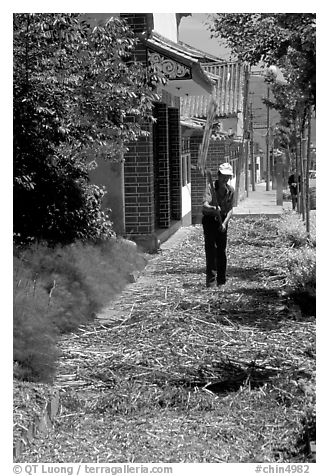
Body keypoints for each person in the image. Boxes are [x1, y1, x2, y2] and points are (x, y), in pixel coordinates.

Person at [202, 162, 235, 287]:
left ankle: (221, 280)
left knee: (221, 251)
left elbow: (231, 209)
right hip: (210, 221)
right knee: (211, 251)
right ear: (219, 175)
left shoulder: (230, 191)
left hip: (222, 222)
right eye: (223, 176)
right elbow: (204, 206)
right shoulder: (211, 188)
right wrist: (213, 209)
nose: (225, 179)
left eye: (228, 176)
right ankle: (211, 282)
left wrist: (225, 223)